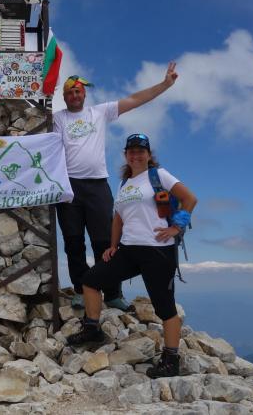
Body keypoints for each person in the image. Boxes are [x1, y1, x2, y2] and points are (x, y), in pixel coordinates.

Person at [66, 133, 197, 379]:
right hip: (128, 249)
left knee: (164, 307)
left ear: (148, 155)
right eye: (132, 151)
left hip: (158, 250)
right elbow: (118, 217)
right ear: (126, 155)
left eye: (141, 151)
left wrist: (176, 227)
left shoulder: (159, 176)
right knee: (91, 280)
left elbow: (190, 198)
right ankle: (93, 329)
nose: (136, 155)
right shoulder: (124, 184)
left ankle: (171, 359)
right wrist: (113, 245)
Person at [54, 62, 180, 311]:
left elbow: (135, 99)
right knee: (73, 241)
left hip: (98, 185)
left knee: (104, 240)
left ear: (85, 93)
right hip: (68, 187)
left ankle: (112, 293)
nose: (75, 95)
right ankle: (81, 290)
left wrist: (165, 85)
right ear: (64, 96)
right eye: (69, 92)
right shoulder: (57, 119)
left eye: (78, 91)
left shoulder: (100, 112)